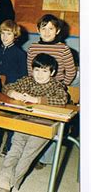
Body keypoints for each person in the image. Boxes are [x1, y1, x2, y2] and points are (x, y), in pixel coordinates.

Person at [0, 54, 68, 192]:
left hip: (44, 124)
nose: (40, 75)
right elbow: (7, 87)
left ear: (52, 72)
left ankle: (8, 184)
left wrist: (36, 99)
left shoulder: (56, 85)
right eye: (37, 70)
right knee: (14, 150)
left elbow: (62, 99)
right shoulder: (27, 81)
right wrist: (13, 93)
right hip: (24, 120)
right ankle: (3, 178)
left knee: (27, 154)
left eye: (44, 71)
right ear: (32, 70)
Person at [26, 14, 77, 169]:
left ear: (57, 31)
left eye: (51, 29)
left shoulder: (64, 49)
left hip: (56, 92)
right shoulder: (33, 47)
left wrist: (61, 86)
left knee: (54, 126)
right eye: (43, 28)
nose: (47, 32)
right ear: (38, 30)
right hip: (37, 89)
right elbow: (30, 71)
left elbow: (71, 72)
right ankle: (29, 152)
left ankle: (44, 158)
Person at [0, 20, 27, 157]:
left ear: (15, 35)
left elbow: (23, 76)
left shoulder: (20, 53)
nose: (5, 37)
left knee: (11, 117)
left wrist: (15, 90)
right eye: (3, 33)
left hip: (12, 90)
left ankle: (8, 145)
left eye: (9, 34)